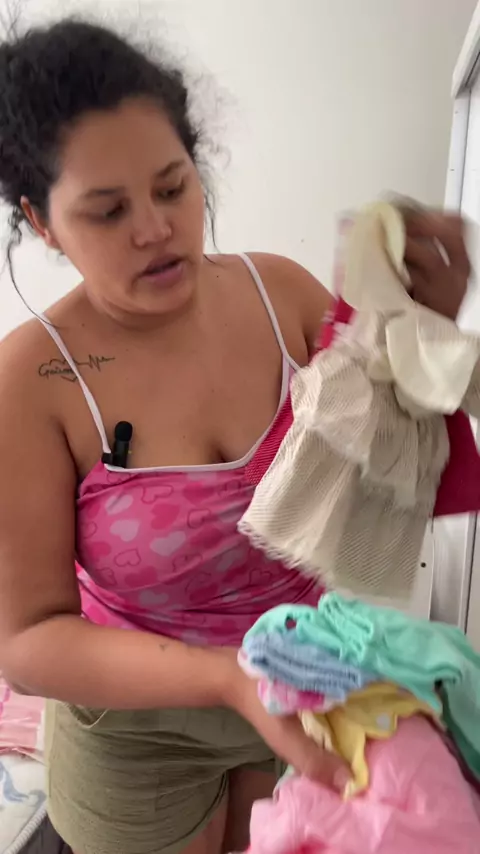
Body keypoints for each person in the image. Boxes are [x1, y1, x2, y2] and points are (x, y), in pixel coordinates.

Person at [0, 18, 470, 854]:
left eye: (172, 187)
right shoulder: (33, 380)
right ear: (41, 222)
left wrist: (422, 326)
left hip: (298, 680)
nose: (154, 228)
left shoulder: (280, 295)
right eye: (108, 211)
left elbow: (390, 458)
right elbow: (28, 640)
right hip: (136, 730)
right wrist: (224, 678)